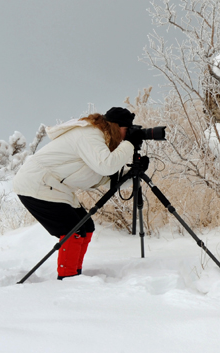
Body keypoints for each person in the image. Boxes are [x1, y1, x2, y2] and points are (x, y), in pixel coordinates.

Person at [14, 107, 140, 279]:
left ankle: (74, 273)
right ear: (117, 127)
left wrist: (133, 175)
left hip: (56, 188)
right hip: (37, 184)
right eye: (127, 130)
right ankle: (68, 278)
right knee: (74, 230)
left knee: (86, 227)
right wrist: (129, 145)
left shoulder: (100, 141)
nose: (128, 135)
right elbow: (106, 166)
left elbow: (104, 180)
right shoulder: (90, 134)